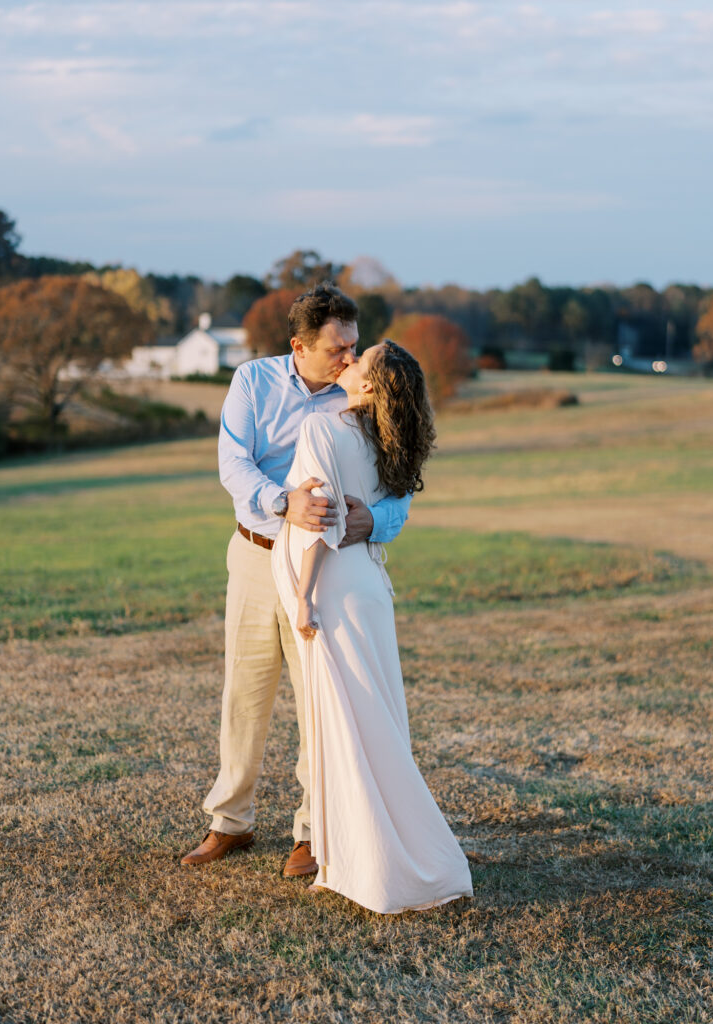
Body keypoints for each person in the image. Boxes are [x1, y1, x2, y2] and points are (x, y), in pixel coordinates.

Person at [181, 283, 411, 875]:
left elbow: (397, 491)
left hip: (327, 567)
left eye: (354, 346)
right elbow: (234, 464)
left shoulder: (359, 397)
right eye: (337, 348)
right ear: (298, 346)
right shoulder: (253, 382)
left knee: (320, 700)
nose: (349, 359)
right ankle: (229, 822)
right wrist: (285, 503)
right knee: (245, 694)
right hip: (258, 554)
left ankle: (312, 829)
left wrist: (373, 522)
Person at [271, 341, 474, 913]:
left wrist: (306, 595)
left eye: (361, 361)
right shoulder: (384, 439)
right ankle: (361, 851)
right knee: (376, 720)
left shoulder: (322, 428)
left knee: (346, 723)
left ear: (369, 387)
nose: (349, 361)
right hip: (368, 586)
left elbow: (318, 520)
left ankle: (375, 862)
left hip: (332, 588)